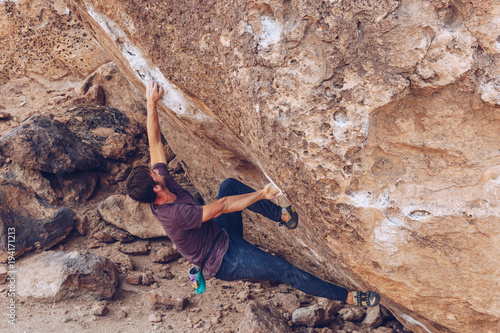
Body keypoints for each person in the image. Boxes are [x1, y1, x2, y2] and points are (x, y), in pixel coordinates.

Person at [125, 82, 380, 307]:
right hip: (224, 259)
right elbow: (223, 207)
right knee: (283, 270)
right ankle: (349, 297)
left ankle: (281, 216)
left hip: (221, 234)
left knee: (228, 185)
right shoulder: (175, 214)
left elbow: (155, 144)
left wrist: (151, 103)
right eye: (152, 174)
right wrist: (262, 193)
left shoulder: (162, 186)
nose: (155, 170)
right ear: (155, 188)